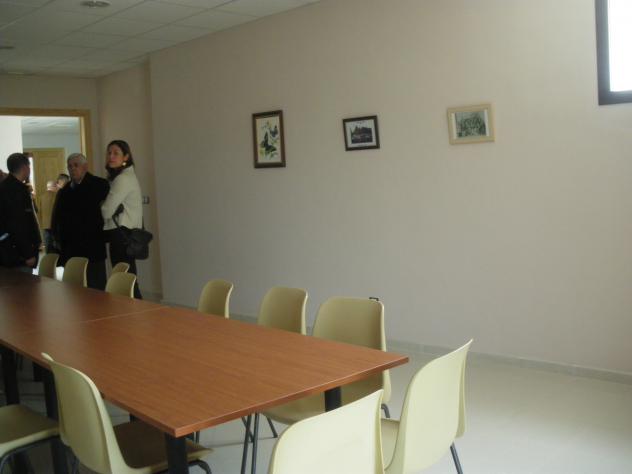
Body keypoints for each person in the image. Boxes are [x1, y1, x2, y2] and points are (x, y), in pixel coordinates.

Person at [51, 153, 110, 290]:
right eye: (70, 166)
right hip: (71, 247)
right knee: (74, 288)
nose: (72, 169)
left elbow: (105, 213)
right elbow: (57, 217)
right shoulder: (64, 191)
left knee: (95, 287)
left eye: (76, 165)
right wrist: (57, 238)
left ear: (85, 167)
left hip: (92, 246)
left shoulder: (99, 185)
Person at [101, 140, 143, 298]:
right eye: (109, 153)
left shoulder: (122, 179)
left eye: (116, 153)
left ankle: (136, 310)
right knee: (128, 278)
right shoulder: (127, 176)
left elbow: (106, 211)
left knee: (124, 280)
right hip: (127, 234)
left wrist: (102, 205)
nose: (111, 156)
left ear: (126, 157)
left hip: (121, 234)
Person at [0, 153, 41, 272]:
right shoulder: (17, 190)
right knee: (23, 283)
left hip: (8, 250)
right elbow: (18, 224)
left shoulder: (4, 187)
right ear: (25, 167)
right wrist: (27, 253)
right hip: (18, 254)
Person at [39, 180, 58, 253]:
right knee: (55, 245)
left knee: (47, 244)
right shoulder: (56, 196)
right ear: (53, 187)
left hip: (45, 225)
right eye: (56, 186)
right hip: (55, 224)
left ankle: (48, 257)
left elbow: (40, 211)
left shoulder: (42, 197)